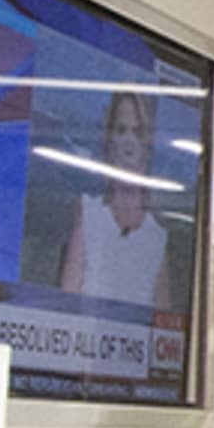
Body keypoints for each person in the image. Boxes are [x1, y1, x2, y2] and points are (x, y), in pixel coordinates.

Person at [58, 88, 172, 311]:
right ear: (110, 144)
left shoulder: (156, 238)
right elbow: (66, 309)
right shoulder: (89, 214)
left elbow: (163, 329)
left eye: (138, 133)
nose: (129, 144)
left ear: (146, 148)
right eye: (122, 131)